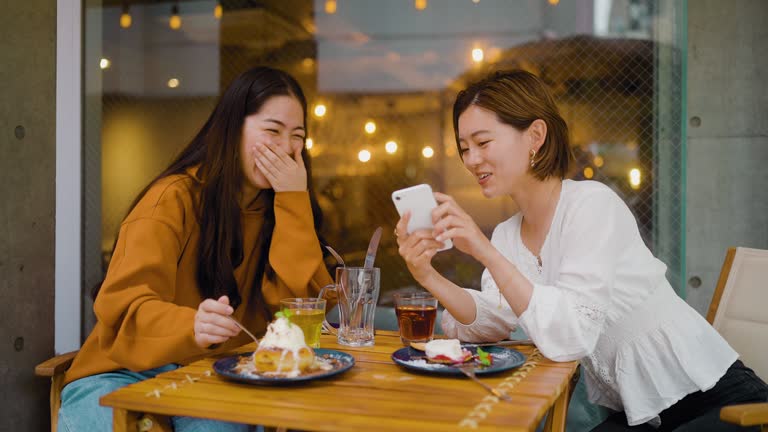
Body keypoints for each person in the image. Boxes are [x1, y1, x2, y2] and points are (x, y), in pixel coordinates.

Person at [395, 70, 767, 432]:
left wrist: (483, 251)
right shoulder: (508, 235)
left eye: (483, 142)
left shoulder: (592, 205)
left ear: (535, 135)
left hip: (720, 402)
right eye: (464, 148)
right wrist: (427, 274)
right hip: (642, 415)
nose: (472, 159)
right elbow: (491, 323)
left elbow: (570, 337)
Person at [58, 66, 333, 432]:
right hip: (121, 371)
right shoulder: (172, 199)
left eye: (297, 136)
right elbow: (122, 308)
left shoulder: (283, 211)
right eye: (272, 131)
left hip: (214, 375)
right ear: (233, 130)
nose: (286, 148)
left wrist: (294, 203)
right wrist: (192, 324)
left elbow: (303, 315)